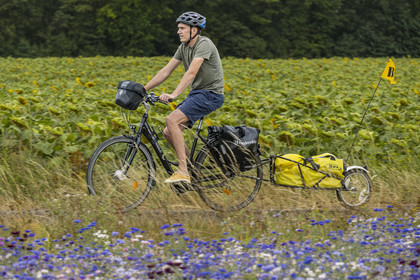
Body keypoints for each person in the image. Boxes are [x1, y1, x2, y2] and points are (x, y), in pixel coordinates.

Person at [144, 11, 225, 184]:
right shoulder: (183, 47)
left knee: (171, 120)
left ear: (194, 30)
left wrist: (174, 94)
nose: (178, 31)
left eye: (182, 28)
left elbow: (192, 72)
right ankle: (192, 169)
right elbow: (166, 70)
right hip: (197, 93)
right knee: (168, 132)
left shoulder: (204, 44)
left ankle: (183, 171)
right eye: (178, 28)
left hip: (211, 94)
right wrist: (143, 89)